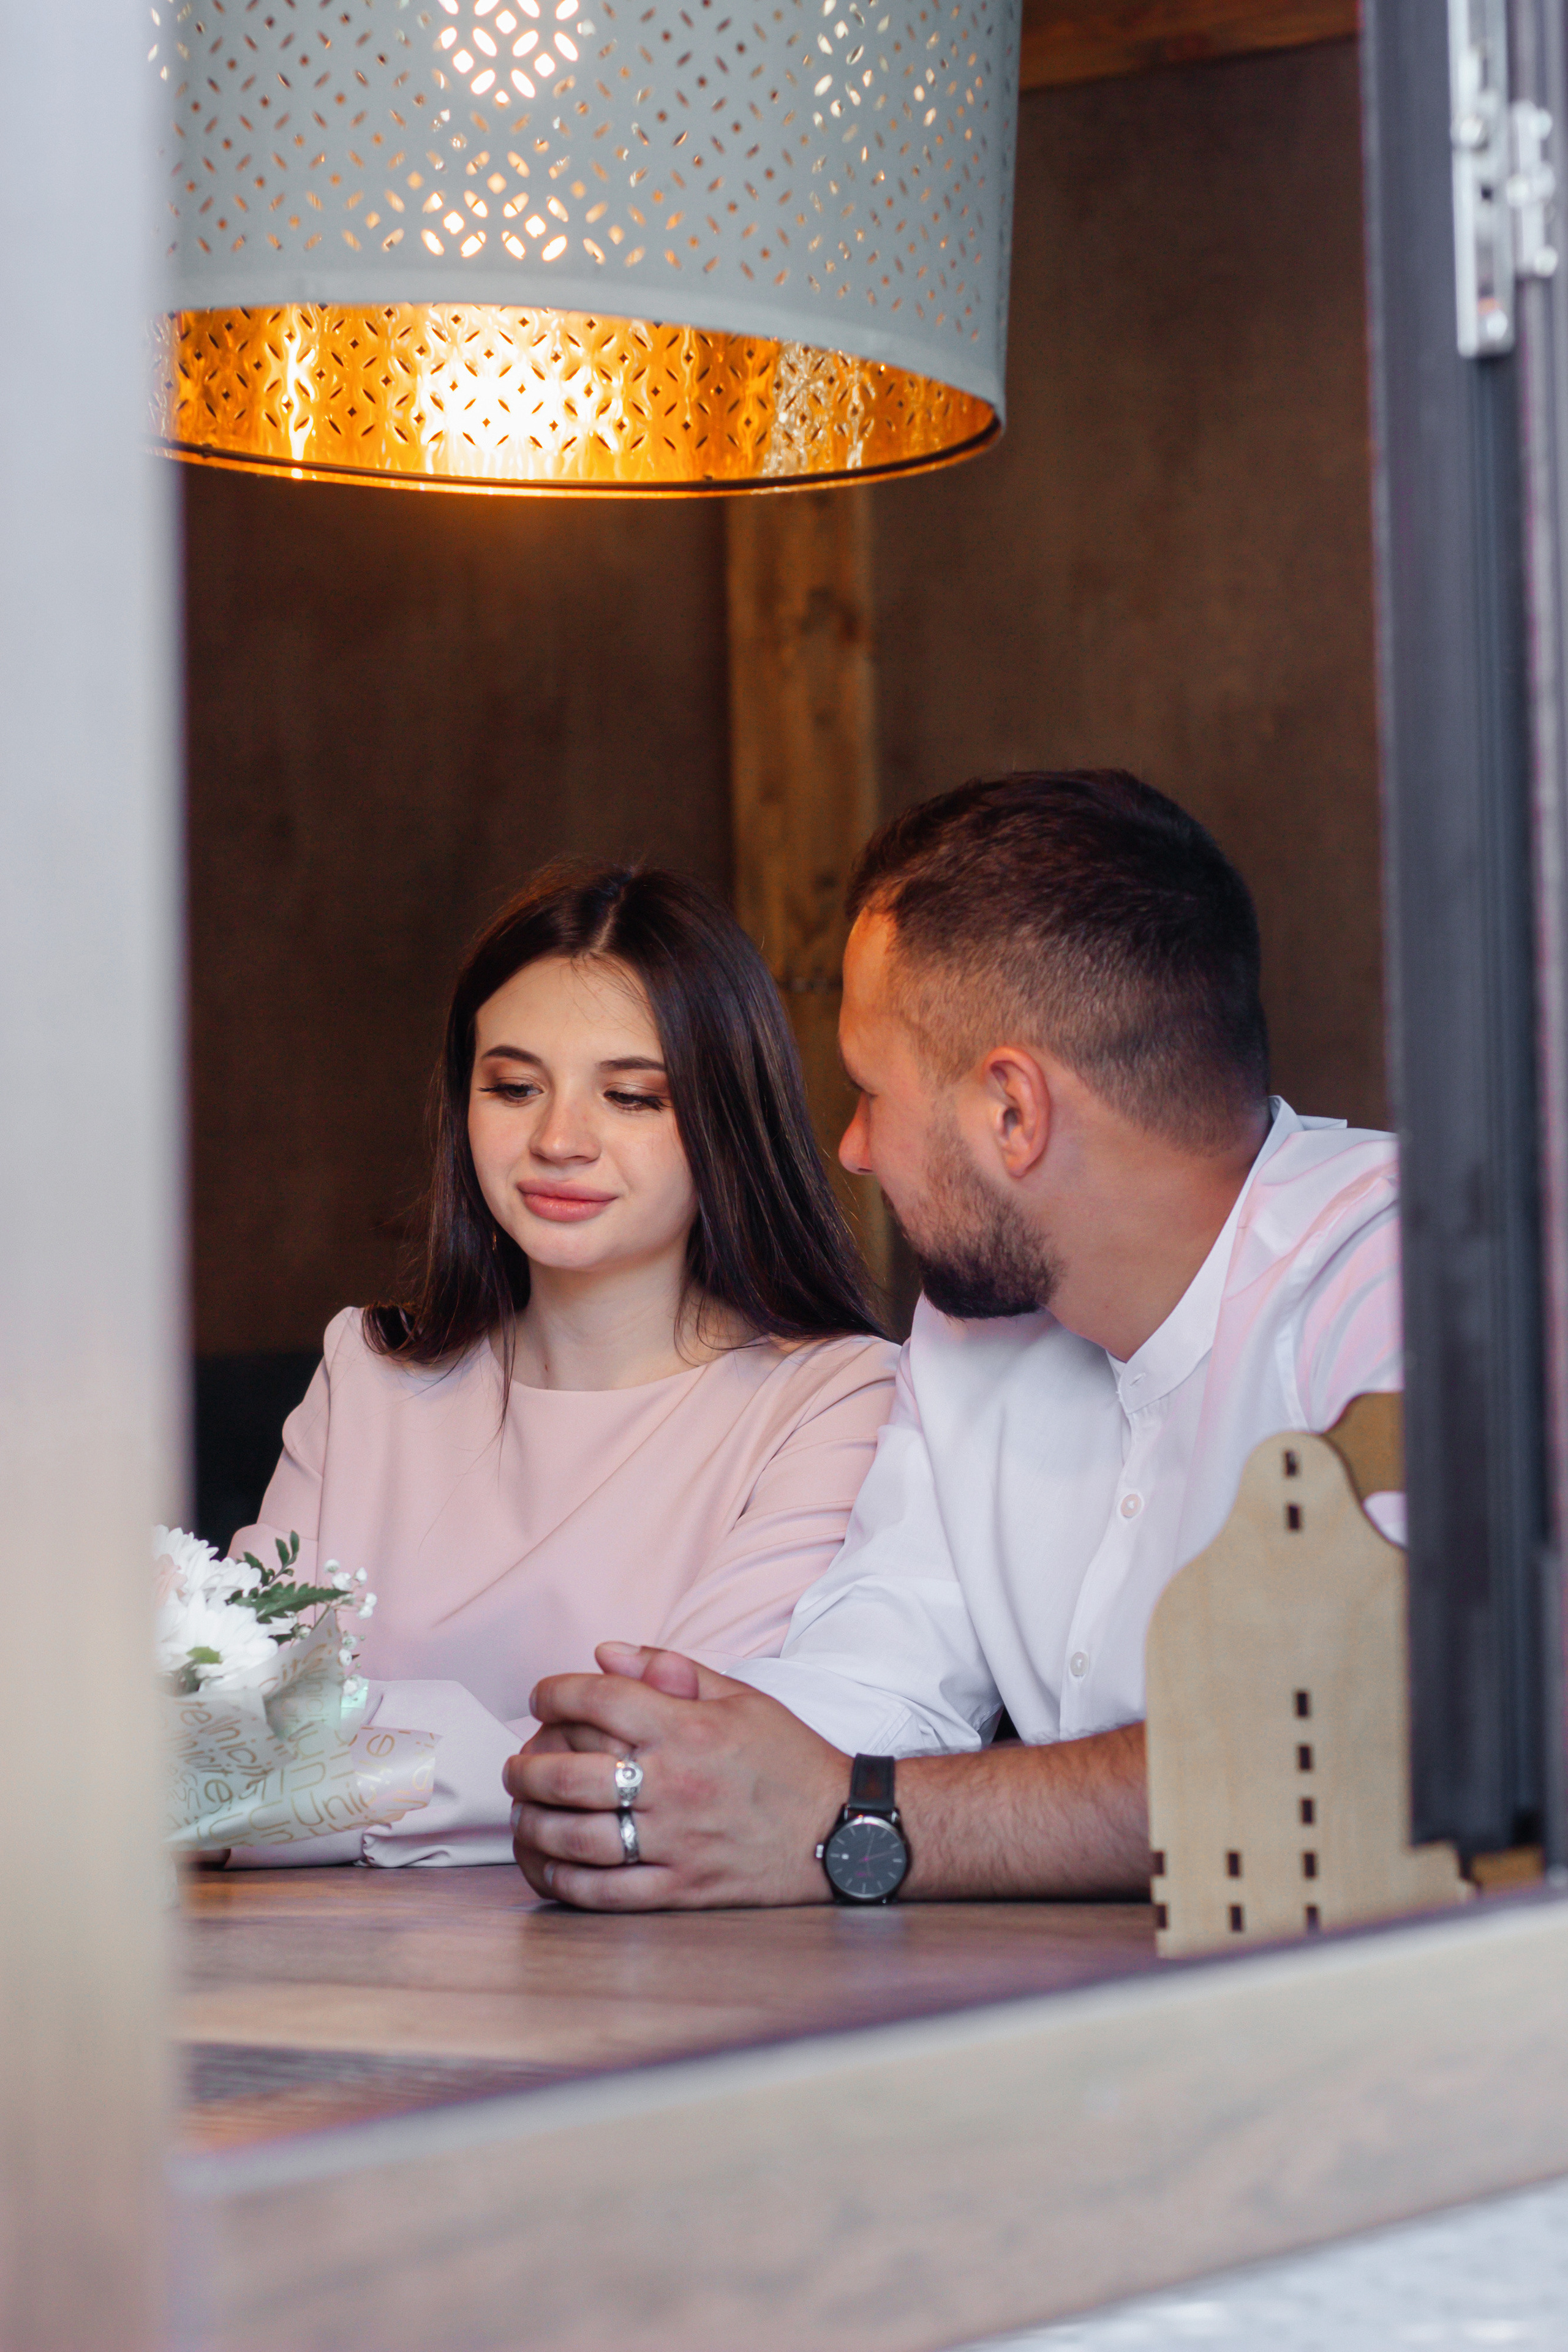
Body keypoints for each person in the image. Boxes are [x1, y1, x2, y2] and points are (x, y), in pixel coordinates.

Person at [506, 771, 1402, 1908]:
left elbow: (1381, 1733)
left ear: (1013, 1115)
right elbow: (879, 1671)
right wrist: (669, 1770)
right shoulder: (975, 1329)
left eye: (872, 1092)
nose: (852, 1149)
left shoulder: (1404, 1277)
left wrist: (858, 1818)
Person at [224, 864, 897, 1866]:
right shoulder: (367, 1373)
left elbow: (672, 1766)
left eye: (630, 1096)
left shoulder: (831, 1399)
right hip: (327, 1981)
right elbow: (218, 1740)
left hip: (659, 1985)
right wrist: (484, 1759)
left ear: (726, 1119)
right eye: (513, 1087)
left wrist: (320, 1777)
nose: (558, 1140)